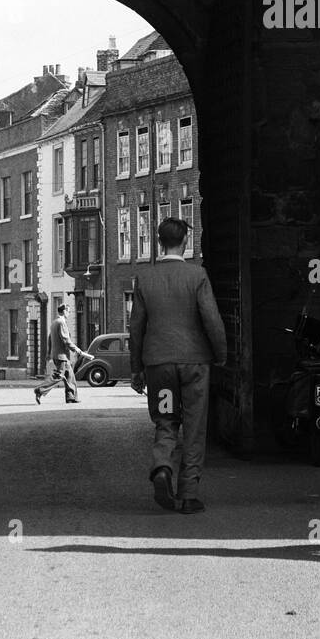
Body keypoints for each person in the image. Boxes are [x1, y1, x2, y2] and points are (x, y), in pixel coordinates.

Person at [130, 218, 228, 514]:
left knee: (166, 419)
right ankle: (187, 494)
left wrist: (136, 368)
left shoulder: (145, 279)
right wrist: (220, 354)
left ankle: (162, 467)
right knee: (195, 427)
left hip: (159, 365)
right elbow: (212, 320)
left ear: (159, 242)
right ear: (186, 240)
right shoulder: (197, 275)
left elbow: (136, 327)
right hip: (195, 363)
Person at [34, 304, 91, 405]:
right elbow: (66, 340)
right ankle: (40, 390)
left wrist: (49, 353)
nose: (69, 313)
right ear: (64, 311)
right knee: (59, 376)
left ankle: (71, 397)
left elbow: (49, 339)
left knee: (70, 376)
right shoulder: (61, 323)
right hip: (62, 356)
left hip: (57, 355)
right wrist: (77, 350)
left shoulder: (54, 322)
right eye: (68, 311)